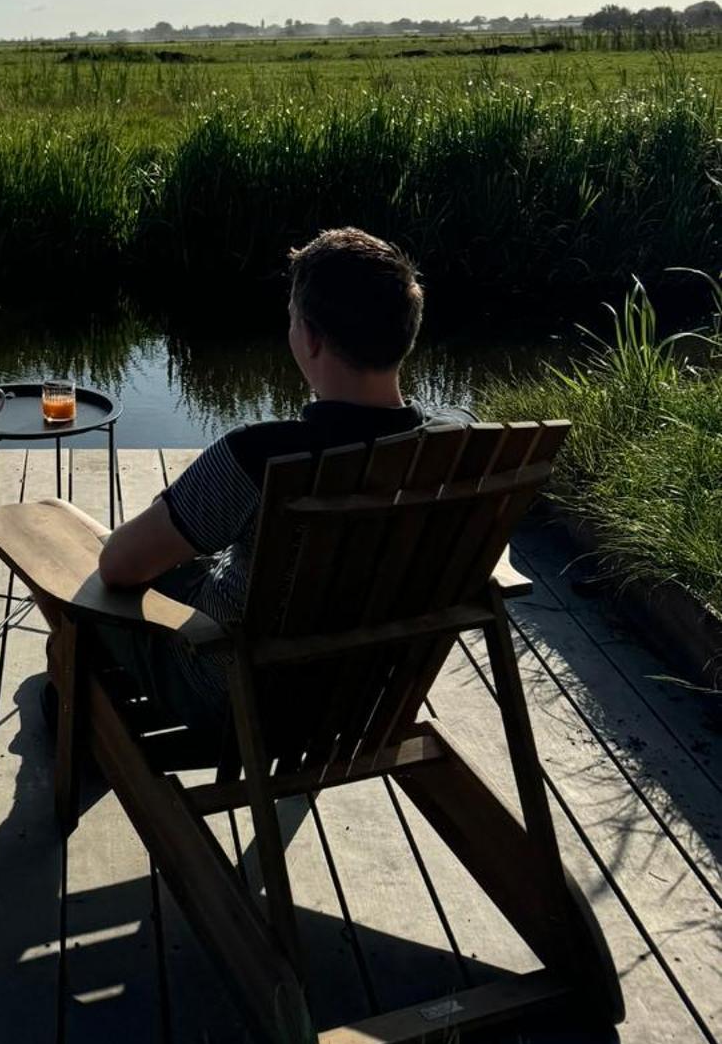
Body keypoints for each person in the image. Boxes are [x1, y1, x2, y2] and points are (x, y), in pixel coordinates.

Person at [91, 226, 452, 734]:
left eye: (290, 320)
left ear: (309, 337)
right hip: (369, 690)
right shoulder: (450, 445)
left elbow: (118, 567)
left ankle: (75, 714)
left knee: (85, 587)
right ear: (406, 332)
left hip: (233, 693)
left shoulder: (264, 455)